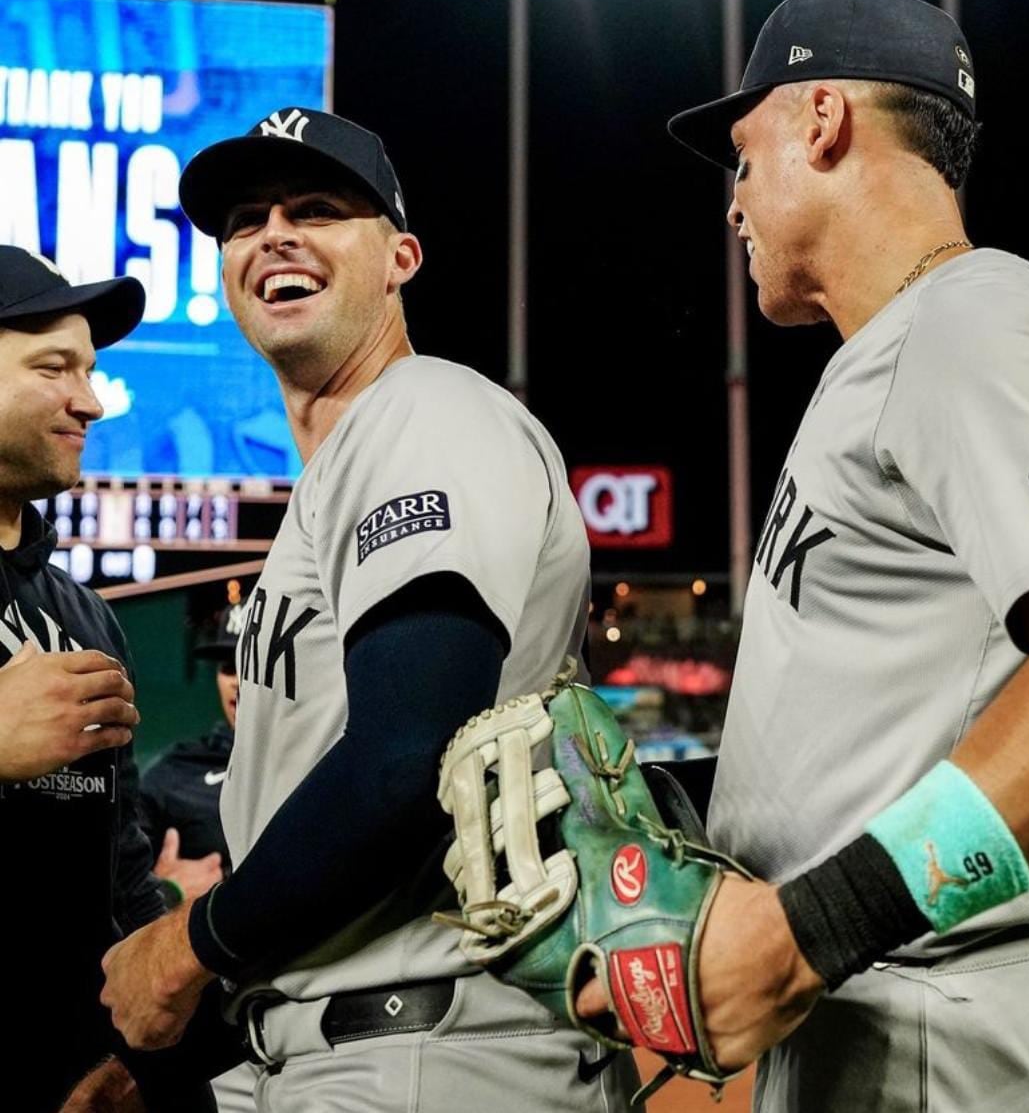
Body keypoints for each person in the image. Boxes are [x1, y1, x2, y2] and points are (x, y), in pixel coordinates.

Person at [579, 0, 1029, 1109]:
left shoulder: (972, 317)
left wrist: (815, 926)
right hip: (884, 1007)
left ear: (822, 119)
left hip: (957, 1014)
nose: (733, 203)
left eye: (742, 158)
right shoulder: (895, 354)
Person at [100, 106, 637, 1111]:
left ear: (400, 257)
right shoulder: (342, 474)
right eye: (246, 221)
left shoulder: (422, 410)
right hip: (350, 1041)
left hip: (430, 1047)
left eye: (316, 209)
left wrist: (187, 947)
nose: (274, 234)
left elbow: (405, 756)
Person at [0, 247, 218, 1111]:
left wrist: (139, 1055)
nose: (91, 400)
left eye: (90, 371)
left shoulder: (84, 616)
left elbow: (117, 869)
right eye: (53, 368)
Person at [138, 591, 259, 1112]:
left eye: (247, 661)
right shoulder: (173, 774)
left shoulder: (330, 755)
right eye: (225, 666)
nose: (234, 680)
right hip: (220, 1025)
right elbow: (120, 888)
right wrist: (160, 887)